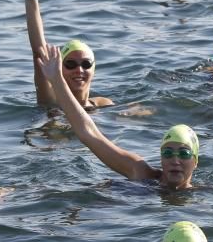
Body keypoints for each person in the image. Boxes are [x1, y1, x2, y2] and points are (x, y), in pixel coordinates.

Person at [39, 43, 199, 189]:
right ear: (161, 159)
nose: (175, 160)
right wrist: (57, 79)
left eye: (184, 153)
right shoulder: (141, 172)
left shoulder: (204, 196)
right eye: (168, 153)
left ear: (195, 161)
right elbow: (88, 133)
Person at [19, 0, 113, 108]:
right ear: (58, 69)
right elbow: (38, 52)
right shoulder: (52, 101)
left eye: (86, 64)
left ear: (94, 69)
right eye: (70, 64)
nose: (79, 69)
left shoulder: (103, 104)